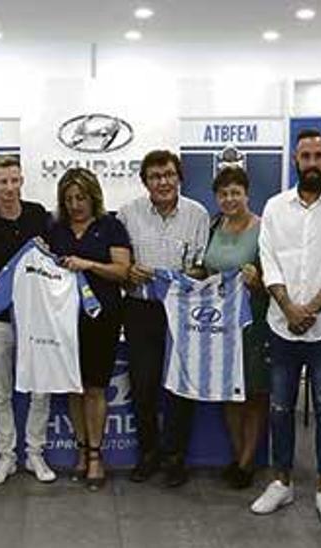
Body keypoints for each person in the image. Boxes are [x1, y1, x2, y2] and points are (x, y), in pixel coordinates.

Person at [250, 129, 321, 526]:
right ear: (295, 160)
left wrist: (310, 309)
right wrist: (288, 307)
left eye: (319, 155)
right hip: (281, 326)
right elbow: (269, 261)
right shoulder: (276, 207)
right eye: (305, 156)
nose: (312, 162)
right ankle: (281, 482)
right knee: (280, 407)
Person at [117, 149, 211, 487]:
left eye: (169, 174)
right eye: (155, 177)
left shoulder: (198, 214)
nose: (163, 182)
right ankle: (148, 453)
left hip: (183, 310)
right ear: (145, 182)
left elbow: (204, 266)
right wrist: (129, 271)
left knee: (180, 387)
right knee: (143, 385)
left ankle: (175, 457)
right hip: (141, 310)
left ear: (179, 177)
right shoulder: (128, 213)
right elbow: (120, 263)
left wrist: (184, 275)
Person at [0, 155, 57, 485]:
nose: (8, 187)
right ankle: (7, 455)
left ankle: (35, 453)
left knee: (39, 389)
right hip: (0, 319)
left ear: (22, 180)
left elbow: (51, 262)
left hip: (37, 319)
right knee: (1, 391)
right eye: (2, 181)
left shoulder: (38, 215)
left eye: (13, 180)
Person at [46, 167, 132, 491]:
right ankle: (81, 450)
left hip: (103, 317)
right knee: (74, 387)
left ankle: (97, 455)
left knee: (95, 387)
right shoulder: (56, 230)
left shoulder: (111, 226)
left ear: (93, 196)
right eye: (68, 199)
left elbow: (123, 272)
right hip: (65, 319)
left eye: (80, 197)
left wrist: (89, 264)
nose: (75, 204)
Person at [196, 166, 268, 490]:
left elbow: (280, 277)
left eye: (235, 192)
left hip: (253, 323)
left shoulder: (264, 229)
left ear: (247, 194)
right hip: (219, 327)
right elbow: (207, 269)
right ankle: (237, 456)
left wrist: (260, 280)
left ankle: (247, 462)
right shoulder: (213, 226)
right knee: (229, 394)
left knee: (253, 395)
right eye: (223, 193)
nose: (229, 199)